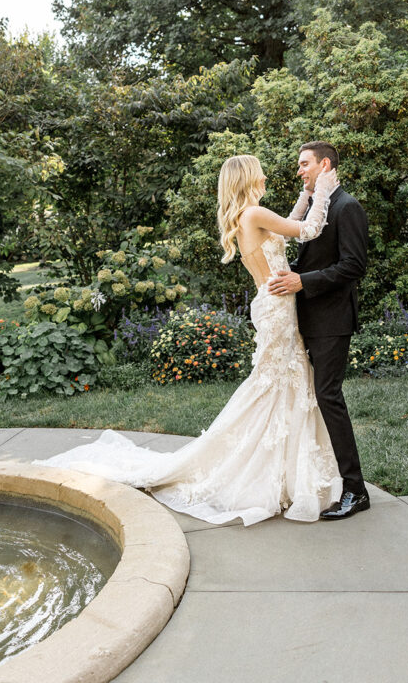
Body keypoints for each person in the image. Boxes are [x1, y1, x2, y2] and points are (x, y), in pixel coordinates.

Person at [35, 154, 344, 526]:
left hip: (273, 305)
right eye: (260, 174)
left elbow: (290, 223)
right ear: (248, 179)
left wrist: (306, 194)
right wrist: (323, 190)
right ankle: (261, 469)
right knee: (273, 385)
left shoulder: (248, 217)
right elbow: (308, 230)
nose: (265, 177)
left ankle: (279, 470)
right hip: (278, 309)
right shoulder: (254, 216)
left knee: (278, 384)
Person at [267, 141, 370, 520]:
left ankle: (355, 490)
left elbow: (353, 267)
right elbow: (313, 256)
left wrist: (302, 281)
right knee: (312, 398)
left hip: (332, 321)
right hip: (306, 319)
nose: (299, 171)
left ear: (324, 164)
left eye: (304, 164)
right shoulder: (316, 206)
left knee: (328, 397)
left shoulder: (348, 207)